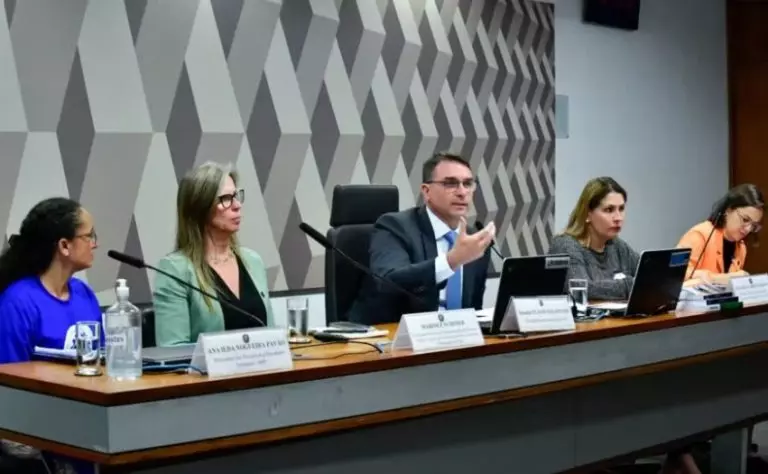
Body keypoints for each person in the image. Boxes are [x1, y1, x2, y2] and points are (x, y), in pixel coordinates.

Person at [0, 197, 101, 474]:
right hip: (41, 446)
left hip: (91, 429)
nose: (95, 243)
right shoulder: (18, 302)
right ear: (64, 246)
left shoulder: (84, 295)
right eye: (89, 236)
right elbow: (9, 389)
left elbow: (101, 365)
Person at [347, 152, 495, 325]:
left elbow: (473, 308)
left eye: (468, 184)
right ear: (426, 191)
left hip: (458, 341)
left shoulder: (473, 241)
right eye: (450, 184)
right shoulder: (395, 226)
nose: (462, 192)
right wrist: (451, 261)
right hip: (394, 339)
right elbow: (389, 281)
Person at [153, 162, 275, 346]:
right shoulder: (175, 270)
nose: (237, 205)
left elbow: (271, 335)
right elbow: (172, 350)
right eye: (226, 199)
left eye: (236, 196)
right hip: (208, 374)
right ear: (200, 207)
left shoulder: (253, 261)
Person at [549, 177, 639, 301]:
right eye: (609, 210)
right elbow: (581, 288)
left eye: (621, 209)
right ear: (587, 214)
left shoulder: (618, 246)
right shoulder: (565, 245)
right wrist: (629, 285)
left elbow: (648, 277)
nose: (618, 217)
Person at [677, 183, 763, 286]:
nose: (748, 229)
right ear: (729, 209)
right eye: (745, 219)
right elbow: (675, 275)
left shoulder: (741, 247)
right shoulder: (699, 235)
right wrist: (722, 278)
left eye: (753, 225)